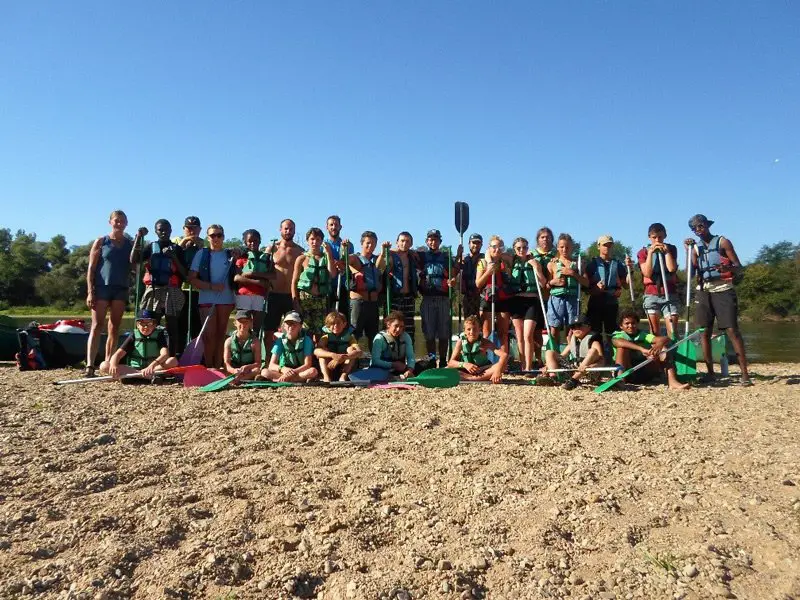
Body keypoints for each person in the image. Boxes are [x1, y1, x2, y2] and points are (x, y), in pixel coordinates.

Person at [685, 214, 751, 385]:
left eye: (700, 226)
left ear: (707, 225)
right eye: (694, 228)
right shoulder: (696, 248)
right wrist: (688, 252)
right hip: (704, 289)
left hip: (723, 288)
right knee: (703, 331)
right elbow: (691, 271)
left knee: (731, 330)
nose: (698, 230)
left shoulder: (723, 242)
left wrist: (727, 267)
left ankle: (745, 374)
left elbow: (738, 267)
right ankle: (710, 373)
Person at [85, 210, 134, 377]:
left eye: (122, 221)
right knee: (97, 325)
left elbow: (136, 265)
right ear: (110, 222)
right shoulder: (101, 242)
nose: (119, 223)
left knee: (114, 327)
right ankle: (90, 365)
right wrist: (90, 292)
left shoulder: (129, 244)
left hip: (120, 288)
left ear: (126, 223)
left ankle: (107, 362)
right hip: (101, 287)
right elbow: (91, 269)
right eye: (116, 220)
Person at [131, 219, 187, 358]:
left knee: (172, 327)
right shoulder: (151, 247)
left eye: (166, 229)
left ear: (171, 230)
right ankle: (149, 357)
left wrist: (174, 257)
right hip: (153, 289)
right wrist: (138, 237)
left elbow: (185, 275)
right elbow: (134, 259)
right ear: (156, 231)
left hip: (172, 289)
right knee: (149, 323)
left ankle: (172, 358)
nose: (163, 232)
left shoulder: (177, 249)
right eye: (160, 230)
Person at [188, 224, 236, 368]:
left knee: (221, 334)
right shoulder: (201, 254)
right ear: (208, 237)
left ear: (223, 237)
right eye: (212, 235)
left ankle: (219, 365)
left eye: (219, 235)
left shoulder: (230, 254)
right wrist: (211, 287)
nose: (216, 238)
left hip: (226, 299)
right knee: (209, 336)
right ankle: (209, 366)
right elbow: (192, 278)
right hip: (207, 299)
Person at [611, 309, 690, 391]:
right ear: (621, 326)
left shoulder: (643, 335)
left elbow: (666, 338)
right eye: (627, 323)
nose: (630, 326)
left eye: (633, 323)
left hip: (644, 372)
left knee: (663, 349)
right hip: (627, 373)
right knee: (622, 348)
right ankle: (620, 381)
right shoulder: (618, 335)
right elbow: (618, 342)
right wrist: (641, 349)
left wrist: (658, 346)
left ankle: (672, 381)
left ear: (637, 324)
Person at [263, 219, 304, 354]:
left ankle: (290, 361)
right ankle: (268, 362)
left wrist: (298, 298)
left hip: (290, 296)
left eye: (291, 229)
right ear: (280, 230)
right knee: (269, 331)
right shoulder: (272, 248)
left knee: (293, 330)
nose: (288, 231)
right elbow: (263, 269)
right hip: (273, 295)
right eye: (286, 228)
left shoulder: (300, 251)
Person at [99, 310, 177, 379]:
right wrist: (113, 365)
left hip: (153, 368)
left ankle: (139, 376)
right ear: (137, 325)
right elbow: (117, 355)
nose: (146, 327)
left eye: (149, 323)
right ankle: (144, 376)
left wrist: (151, 366)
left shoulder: (159, 335)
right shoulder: (133, 336)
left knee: (172, 361)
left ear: (154, 325)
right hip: (134, 369)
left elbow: (165, 354)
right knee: (104, 365)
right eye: (142, 323)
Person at [508, 236, 547, 371]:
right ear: (514, 249)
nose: (522, 250)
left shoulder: (535, 262)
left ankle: (529, 367)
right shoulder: (512, 261)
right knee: (519, 336)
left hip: (532, 301)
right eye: (518, 248)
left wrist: (537, 268)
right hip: (517, 301)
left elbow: (543, 283)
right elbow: (494, 253)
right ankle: (522, 365)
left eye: (524, 247)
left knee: (528, 335)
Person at [418, 229, 456, 367]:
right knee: (429, 332)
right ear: (427, 241)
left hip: (443, 299)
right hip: (427, 298)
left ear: (440, 241)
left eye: (436, 239)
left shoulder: (446, 257)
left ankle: (444, 360)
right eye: (430, 239)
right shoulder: (421, 256)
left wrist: (452, 281)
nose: (433, 241)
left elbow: (454, 273)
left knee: (444, 332)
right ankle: (432, 360)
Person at [348, 231, 388, 351]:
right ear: (362, 243)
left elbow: (380, 267)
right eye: (368, 243)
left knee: (374, 335)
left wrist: (384, 250)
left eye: (373, 243)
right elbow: (346, 260)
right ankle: (353, 362)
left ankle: (374, 362)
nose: (370, 246)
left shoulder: (377, 260)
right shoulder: (355, 258)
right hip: (358, 303)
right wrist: (345, 250)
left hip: (373, 304)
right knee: (355, 333)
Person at [292, 228, 336, 338]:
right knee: (305, 331)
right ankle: (307, 354)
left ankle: (318, 354)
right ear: (307, 240)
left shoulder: (326, 258)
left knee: (321, 332)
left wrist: (329, 254)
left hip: (321, 299)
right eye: (312, 239)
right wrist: (295, 302)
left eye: (318, 239)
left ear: (322, 241)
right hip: (305, 300)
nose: (314, 242)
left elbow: (332, 274)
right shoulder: (301, 258)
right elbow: (294, 282)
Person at [637, 223, 679, 338]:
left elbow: (671, 268)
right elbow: (647, 273)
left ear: (665, 236)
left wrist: (666, 253)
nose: (657, 240)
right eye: (654, 237)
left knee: (673, 332)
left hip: (669, 293)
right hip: (651, 294)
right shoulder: (643, 252)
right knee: (654, 332)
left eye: (660, 237)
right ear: (649, 237)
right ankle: (658, 355)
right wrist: (650, 253)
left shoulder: (671, 249)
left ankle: (673, 353)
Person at [546, 233, 588, 347]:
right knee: (554, 328)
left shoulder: (579, 264)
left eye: (567, 247)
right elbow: (546, 285)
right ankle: (554, 354)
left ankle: (572, 355)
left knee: (572, 329)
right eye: (562, 247)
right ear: (558, 247)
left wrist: (573, 273)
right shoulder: (552, 264)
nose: (564, 249)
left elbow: (586, 282)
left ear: (572, 247)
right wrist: (553, 282)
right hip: (556, 298)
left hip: (573, 298)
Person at [543, 314, 605, 390]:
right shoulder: (572, 343)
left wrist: (590, 367)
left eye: (579, 326)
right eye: (573, 327)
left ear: (589, 327)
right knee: (549, 352)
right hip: (573, 371)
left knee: (592, 351)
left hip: (588, 373)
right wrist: (548, 366)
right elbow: (561, 357)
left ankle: (573, 380)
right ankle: (553, 378)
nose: (576, 329)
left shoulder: (595, 343)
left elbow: (602, 362)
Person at [586, 235, 630, 342]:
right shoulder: (592, 265)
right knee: (595, 332)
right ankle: (598, 356)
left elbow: (626, 285)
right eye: (605, 245)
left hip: (611, 302)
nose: (607, 248)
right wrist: (596, 288)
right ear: (599, 246)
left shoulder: (617, 264)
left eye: (610, 245)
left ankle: (612, 355)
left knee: (612, 332)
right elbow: (586, 287)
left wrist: (630, 270)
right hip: (596, 302)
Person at [475, 235, 513, 353]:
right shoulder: (482, 262)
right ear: (489, 248)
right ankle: (485, 360)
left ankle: (503, 361)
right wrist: (489, 271)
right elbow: (478, 283)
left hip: (502, 298)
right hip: (488, 298)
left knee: (503, 333)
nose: (497, 249)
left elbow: (511, 258)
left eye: (500, 247)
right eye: (494, 247)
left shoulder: (505, 261)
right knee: (487, 332)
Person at [173, 216, 205, 355]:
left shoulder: (203, 244)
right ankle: (178, 354)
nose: (192, 231)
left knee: (196, 326)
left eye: (195, 228)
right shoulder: (176, 240)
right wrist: (184, 242)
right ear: (184, 229)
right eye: (189, 228)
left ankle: (195, 354)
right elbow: (173, 253)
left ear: (199, 229)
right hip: (179, 289)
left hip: (196, 290)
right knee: (179, 325)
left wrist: (199, 247)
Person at [233, 229, 273, 337]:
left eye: (255, 240)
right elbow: (237, 278)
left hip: (260, 296)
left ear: (260, 241)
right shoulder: (242, 258)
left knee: (256, 328)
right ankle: (240, 349)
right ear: (245, 242)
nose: (253, 243)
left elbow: (273, 275)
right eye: (249, 241)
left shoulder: (266, 258)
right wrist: (258, 282)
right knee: (243, 325)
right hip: (244, 295)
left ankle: (254, 350)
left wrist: (253, 273)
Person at [448, 315, 507, 383]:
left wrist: (497, 371)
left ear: (480, 330)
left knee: (502, 366)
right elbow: (451, 363)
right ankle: (476, 378)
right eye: (468, 329)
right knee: (447, 369)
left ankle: (470, 379)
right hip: (465, 370)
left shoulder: (485, 342)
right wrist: (465, 364)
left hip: (482, 371)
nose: (472, 332)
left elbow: (504, 355)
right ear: (464, 331)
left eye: (475, 329)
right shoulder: (460, 342)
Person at [262, 311, 319, 382]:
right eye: (288, 323)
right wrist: (282, 369)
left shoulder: (306, 340)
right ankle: (294, 380)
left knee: (313, 371)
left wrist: (292, 373)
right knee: (264, 372)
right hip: (284, 371)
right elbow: (271, 365)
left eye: (294, 323)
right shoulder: (280, 341)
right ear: (284, 326)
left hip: (299, 371)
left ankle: (283, 380)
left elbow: (307, 364)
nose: (291, 326)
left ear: (300, 326)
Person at [387, 231, 419, 342]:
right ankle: (392, 355)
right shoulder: (390, 255)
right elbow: (379, 265)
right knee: (393, 326)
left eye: (407, 241)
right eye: (402, 241)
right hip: (395, 297)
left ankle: (409, 356)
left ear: (411, 244)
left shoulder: (413, 256)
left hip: (409, 297)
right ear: (397, 242)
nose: (404, 244)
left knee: (409, 327)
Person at [314, 311, 363, 382]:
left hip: (345, 365)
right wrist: (333, 355)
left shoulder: (350, 337)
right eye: (333, 324)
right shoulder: (325, 337)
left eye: (338, 323)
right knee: (322, 352)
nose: (336, 326)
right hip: (331, 366)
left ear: (344, 324)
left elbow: (359, 352)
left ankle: (343, 377)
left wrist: (343, 357)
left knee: (351, 349)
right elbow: (316, 351)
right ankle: (326, 377)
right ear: (328, 326)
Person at [324, 215, 355, 316]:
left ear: (340, 227)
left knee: (342, 317)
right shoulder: (323, 245)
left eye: (336, 225)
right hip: (326, 286)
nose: (333, 227)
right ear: (327, 227)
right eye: (331, 225)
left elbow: (348, 263)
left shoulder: (347, 245)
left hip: (343, 286)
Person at [370, 311, 415, 379]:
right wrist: (393, 365)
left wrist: (410, 370)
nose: (398, 329)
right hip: (381, 368)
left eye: (401, 327)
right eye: (396, 326)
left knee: (423, 366)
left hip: (399, 369)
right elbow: (375, 361)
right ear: (388, 324)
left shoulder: (406, 337)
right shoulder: (379, 338)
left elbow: (410, 356)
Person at [222, 309, 262, 382]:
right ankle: (242, 379)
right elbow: (226, 364)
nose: (243, 324)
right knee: (217, 370)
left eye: (246, 321)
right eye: (240, 321)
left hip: (249, 370)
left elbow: (258, 363)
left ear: (250, 323)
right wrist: (234, 370)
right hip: (234, 370)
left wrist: (247, 367)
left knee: (257, 370)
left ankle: (239, 379)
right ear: (235, 323)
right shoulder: (228, 341)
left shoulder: (255, 342)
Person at [458, 233, 484, 321]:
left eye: (478, 243)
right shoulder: (464, 259)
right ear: (469, 244)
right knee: (468, 322)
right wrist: (458, 255)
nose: (476, 245)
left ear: (481, 245)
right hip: (467, 296)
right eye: (473, 243)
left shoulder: (484, 258)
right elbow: (455, 271)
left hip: (481, 296)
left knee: (480, 322)